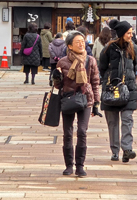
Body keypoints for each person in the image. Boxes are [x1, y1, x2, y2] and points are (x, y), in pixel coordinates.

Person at [52, 31, 101, 177]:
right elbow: (58, 86)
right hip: (67, 99)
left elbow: (95, 82)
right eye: (77, 42)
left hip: (86, 99)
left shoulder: (90, 60)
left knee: (82, 131)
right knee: (67, 133)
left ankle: (80, 165)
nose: (81, 44)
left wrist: (97, 102)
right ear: (70, 46)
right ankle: (69, 165)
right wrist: (56, 78)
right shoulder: (62, 62)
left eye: (82, 41)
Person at [99, 20, 137, 163]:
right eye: (129, 33)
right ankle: (115, 151)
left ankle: (127, 149)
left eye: (131, 32)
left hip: (129, 89)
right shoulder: (108, 48)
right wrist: (108, 81)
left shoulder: (134, 47)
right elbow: (102, 68)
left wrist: (131, 80)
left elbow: (135, 68)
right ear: (121, 34)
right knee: (113, 122)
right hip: (111, 89)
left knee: (128, 119)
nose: (131, 35)